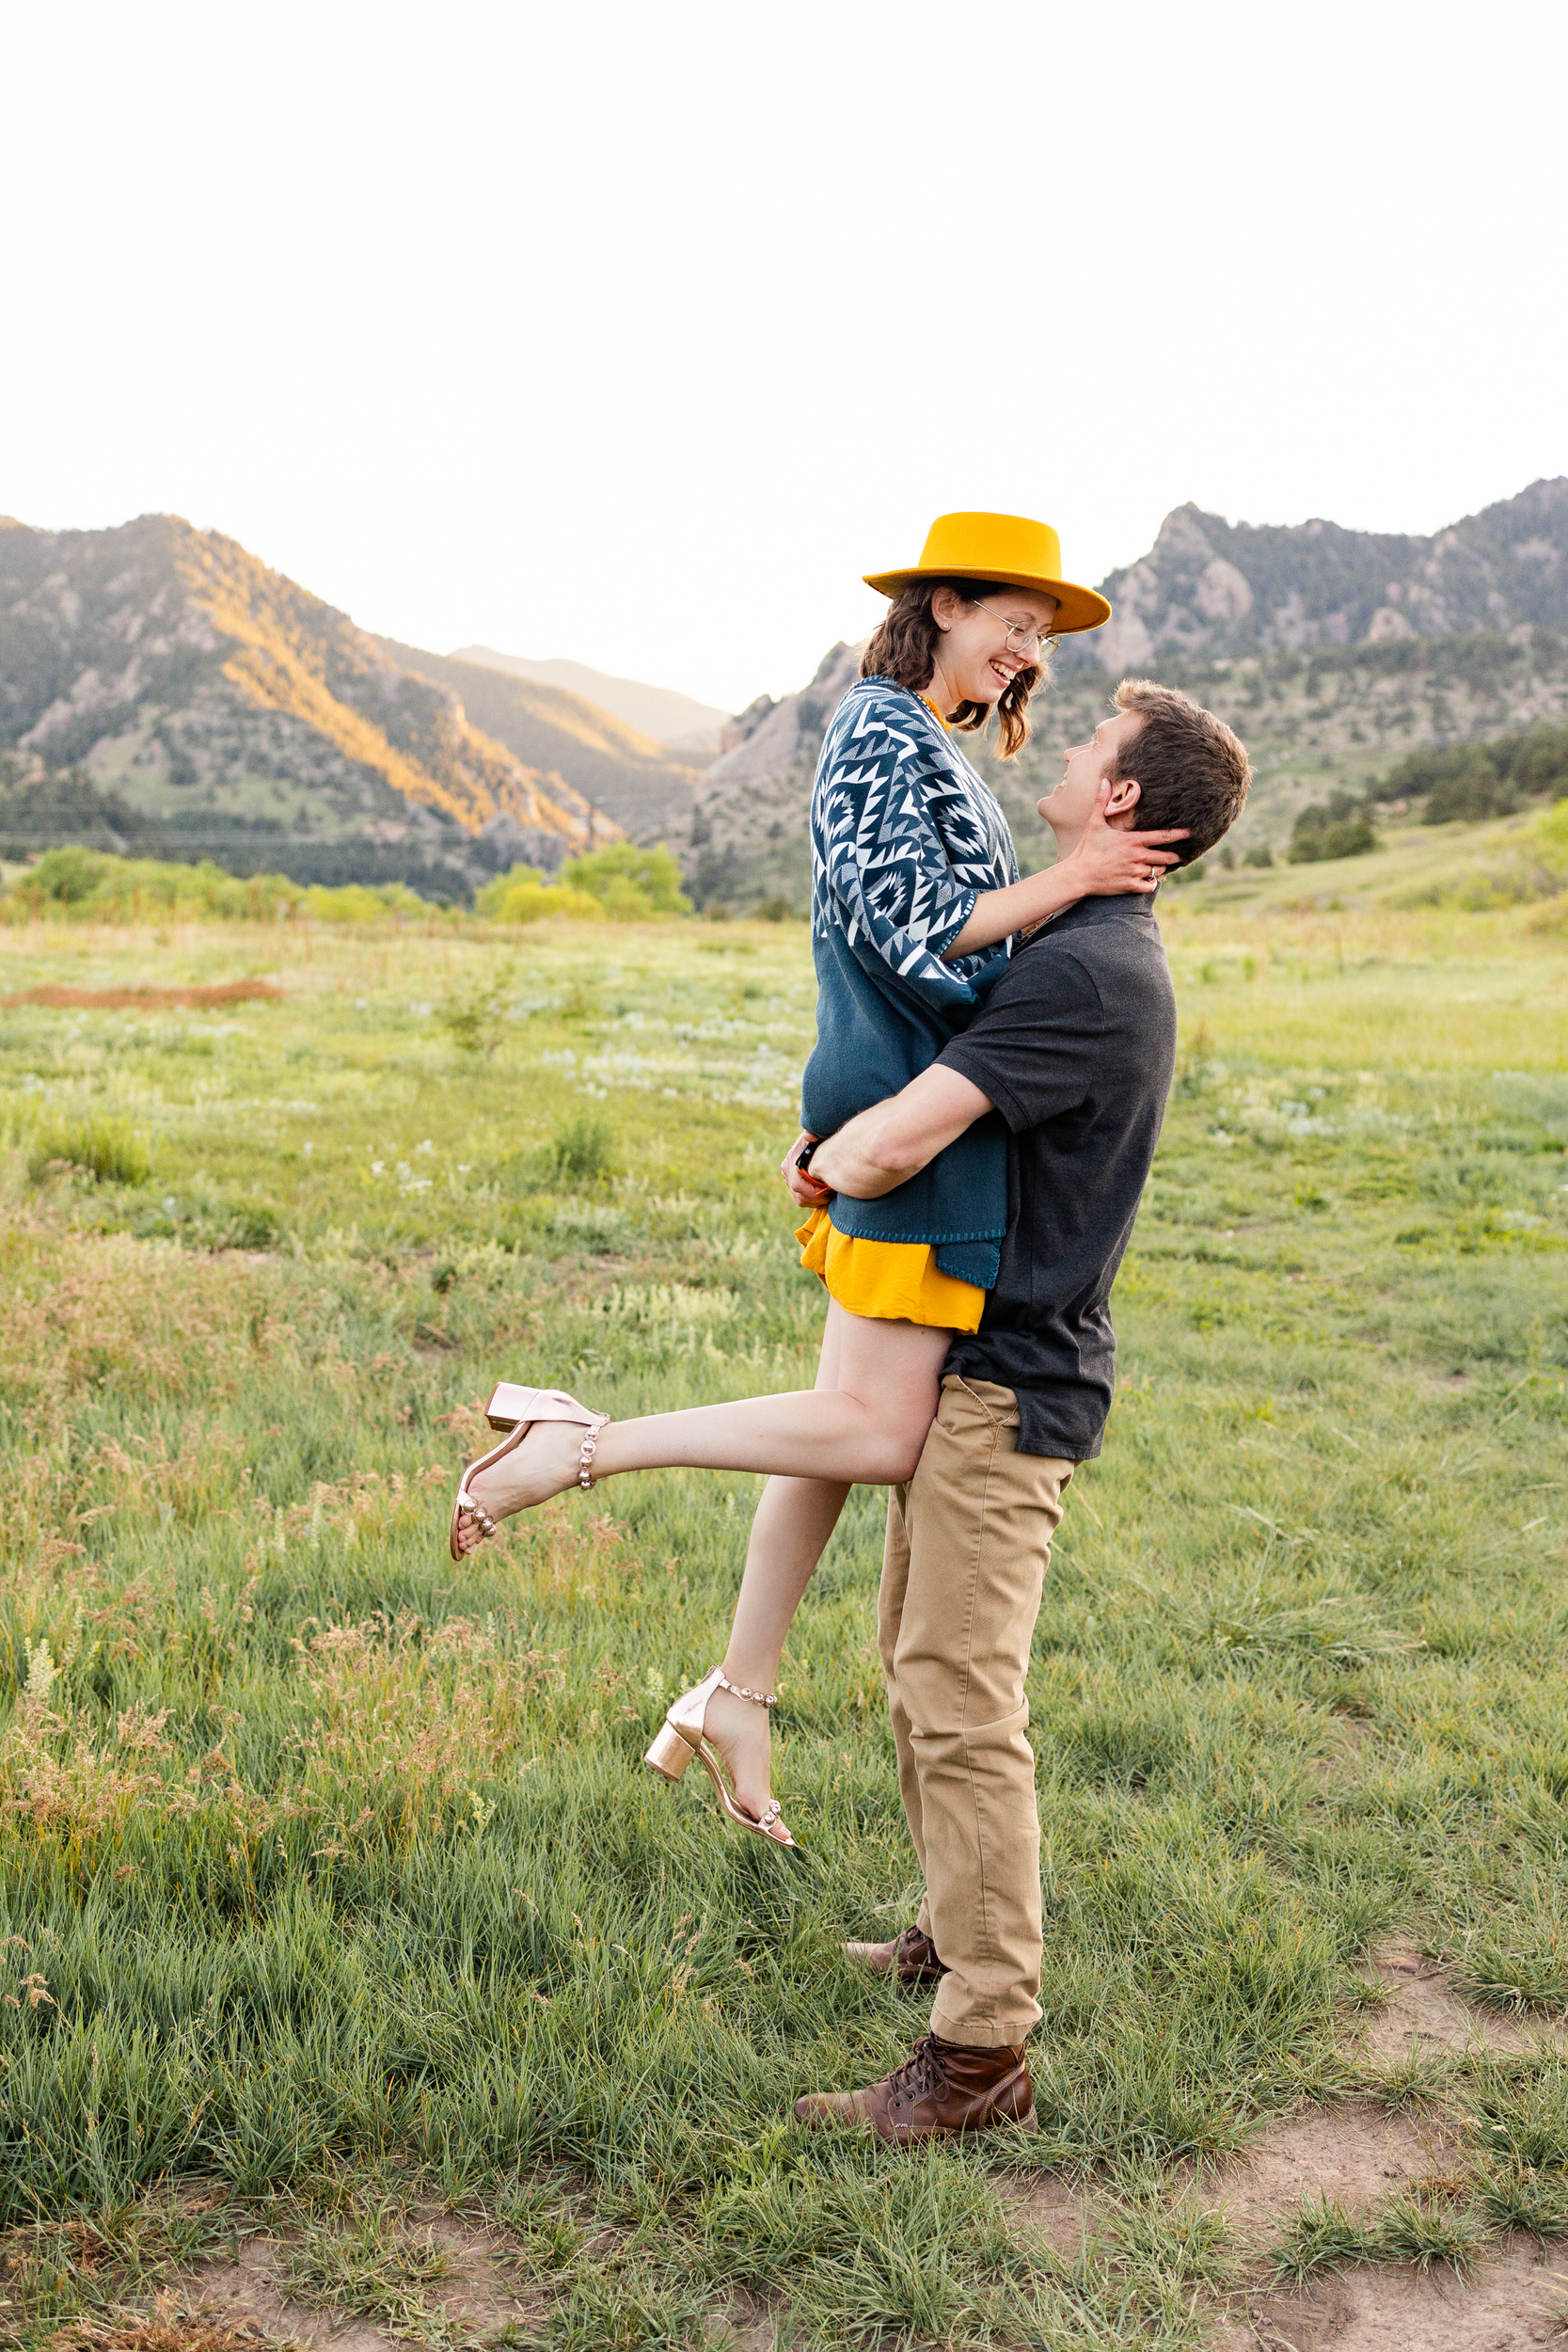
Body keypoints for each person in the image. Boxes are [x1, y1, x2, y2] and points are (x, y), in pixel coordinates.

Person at [448, 514, 1185, 1844]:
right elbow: (919, 944)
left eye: (1040, 640)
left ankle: (740, 1687)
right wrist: (1074, 880)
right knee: (878, 1432)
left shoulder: (921, 742)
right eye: (1013, 623)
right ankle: (583, 1444)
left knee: (841, 1429)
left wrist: (847, 1104)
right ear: (943, 605)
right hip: (927, 1137)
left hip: (903, 1111)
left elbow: (882, 948)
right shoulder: (884, 729)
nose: (1028, 657)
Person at [789, 679, 1253, 2140]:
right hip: (978, 1362)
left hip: (1012, 1383)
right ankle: (947, 1925)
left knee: (963, 1699)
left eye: (1097, 745)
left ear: (1123, 803)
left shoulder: (1091, 971)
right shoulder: (1076, 936)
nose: (1066, 748)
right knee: (913, 1660)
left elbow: (910, 1136)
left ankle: (982, 2050)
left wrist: (825, 1157)